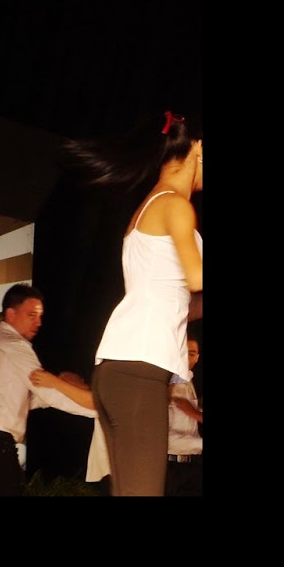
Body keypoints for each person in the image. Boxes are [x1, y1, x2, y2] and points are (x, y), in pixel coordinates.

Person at [63, 109, 202, 496]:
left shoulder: (151, 204)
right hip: (138, 372)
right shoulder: (175, 205)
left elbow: (178, 299)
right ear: (198, 149)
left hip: (122, 370)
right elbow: (197, 278)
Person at [0, 282, 97, 496]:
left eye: (40, 316)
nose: (38, 322)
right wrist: (97, 408)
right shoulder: (13, 345)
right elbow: (48, 393)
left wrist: (63, 385)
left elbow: (24, 398)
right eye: (31, 315)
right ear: (11, 314)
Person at [165, 323, 203, 496]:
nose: (186, 357)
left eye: (192, 354)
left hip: (192, 465)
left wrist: (195, 411)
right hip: (172, 466)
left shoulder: (189, 380)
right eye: (183, 352)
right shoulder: (166, 381)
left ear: (197, 358)